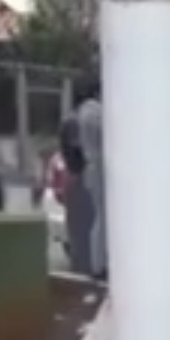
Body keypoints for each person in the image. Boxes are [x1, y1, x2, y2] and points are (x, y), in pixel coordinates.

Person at [59, 77, 98, 276]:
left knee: (77, 228)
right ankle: (85, 268)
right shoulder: (80, 119)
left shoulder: (71, 118)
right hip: (80, 176)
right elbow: (77, 151)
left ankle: (81, 265)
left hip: (74, 177)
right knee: (84, 227)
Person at [74, 80, 107, 281]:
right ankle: (99, 264)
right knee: (102, 217)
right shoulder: (94, 112)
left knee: (100, 216)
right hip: (98, 166)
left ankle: (99, 262)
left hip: (92, 166)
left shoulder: (84, 112)